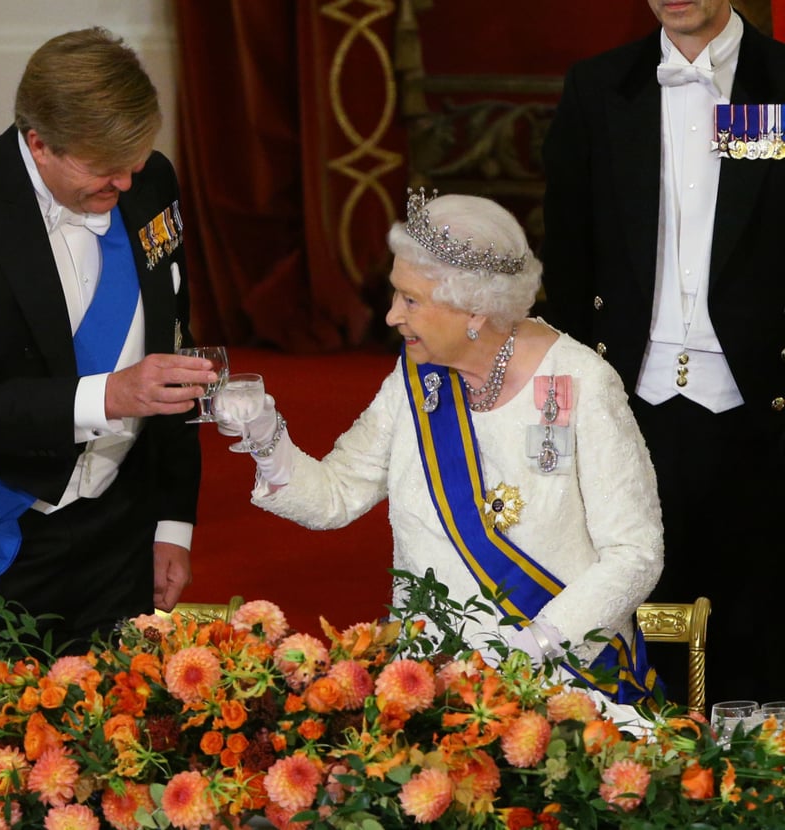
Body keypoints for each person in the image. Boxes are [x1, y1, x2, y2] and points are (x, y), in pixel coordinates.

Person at [221, 191, 664, 704]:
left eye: (410, 300)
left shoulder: (580, 381)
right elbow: (335, 496)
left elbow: (635, 554)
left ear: (473, 309)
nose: (390, 316)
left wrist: (535, 647)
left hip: (559, 681)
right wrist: (264, 434)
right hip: (428, 685)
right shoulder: (415, 376)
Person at [0, 27, 214, 662]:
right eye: (104, 167)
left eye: (137, 161)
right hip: (3, 531)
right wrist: (114, 394)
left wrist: (173, 522)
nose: (126, 182)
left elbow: (175, 347)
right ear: (38, 143)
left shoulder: (149, 182)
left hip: (121, 525)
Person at [540, 0, 785, 706]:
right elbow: (570, 250)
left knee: (756, 629)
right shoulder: (598, 84)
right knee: (640, 622)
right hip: (632, 401)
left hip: (760, 405)